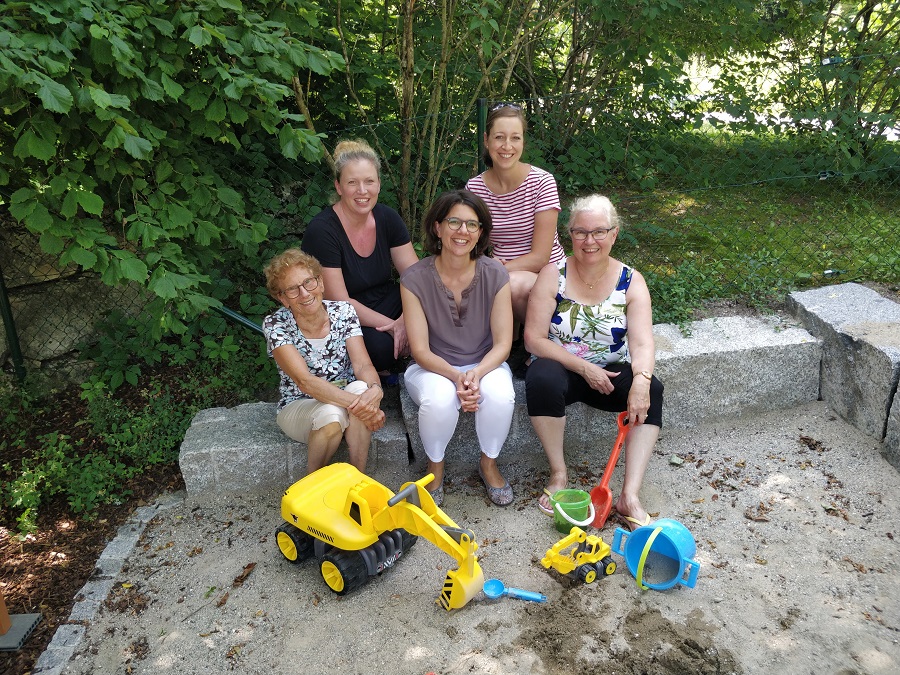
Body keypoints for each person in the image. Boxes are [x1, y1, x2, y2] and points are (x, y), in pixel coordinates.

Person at [523, 194, 664, 530]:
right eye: (581, 232)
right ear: (569, 235)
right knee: (541, 375)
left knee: (654, 390)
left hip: (611, 374)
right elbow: (534, 338)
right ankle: (559, 473)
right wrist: (584, 367)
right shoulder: (551, 275)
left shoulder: (632, 280)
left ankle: (629, 496)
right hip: (564, 371)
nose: (590, 241)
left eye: (599, 232)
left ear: (614, 234)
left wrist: (641, 381)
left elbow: (642, 341)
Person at [401, 189, 516, 507]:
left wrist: (476, 373)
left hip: (485, 361)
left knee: (501, 395)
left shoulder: (496, 274)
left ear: (481, 233)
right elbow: (420, 350)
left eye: (472, 225)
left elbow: (503, 343)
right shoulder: (414, 279)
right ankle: (434, 469)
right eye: (454, 222)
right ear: (437, 227)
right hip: (430, 366)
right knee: (438, 400)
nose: (462, 231)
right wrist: (456, 377)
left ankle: (488, 464)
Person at [262, 248, 385, 474]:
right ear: (281, 297)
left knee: (361, 388)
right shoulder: (275, 324)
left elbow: (363, 365)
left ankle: (357, 479)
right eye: (292, 289)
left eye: (308, 282)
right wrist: (364, 407)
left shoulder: (344, 311)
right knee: (331, 414)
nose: (304, 293)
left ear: (320, 282)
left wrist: (375, 390)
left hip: (345, 398)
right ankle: (314, 486)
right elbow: (305, 381)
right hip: (300, 404)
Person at [301, 139, 419, 375]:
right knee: (382, 349)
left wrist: (407, 319)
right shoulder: (322, 231)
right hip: (343, 315)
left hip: (388, 299)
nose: (362, 191)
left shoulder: (387, 217)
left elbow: (417, 277)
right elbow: (340, 303)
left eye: (369, 181)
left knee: (434, 305)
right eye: (352, 183)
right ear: (338, 186)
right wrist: (394, 328)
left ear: (379, 184)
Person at [465, 102, 565, 324]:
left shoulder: (542, 182)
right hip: (500, 272)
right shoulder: (474, 188)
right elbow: (469, 242)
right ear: (486, 139)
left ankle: (540, 343)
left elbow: (541, 257)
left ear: (523, 141)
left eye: (515, 138)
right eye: (499, 137)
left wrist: (498, 269)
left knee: (511, 284)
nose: (506, 146)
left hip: (545, 273)